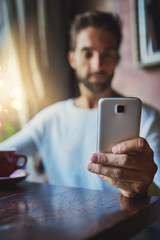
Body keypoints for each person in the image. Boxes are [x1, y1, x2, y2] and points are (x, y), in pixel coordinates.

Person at [0, 10, 160, 198]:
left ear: (116, 59)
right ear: (72, 59)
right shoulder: (50, 118)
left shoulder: (147, 118)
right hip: (63, 227)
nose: (97, 64)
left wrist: (145, 186)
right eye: (87, 54)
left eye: (107, 54)